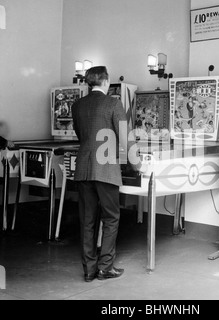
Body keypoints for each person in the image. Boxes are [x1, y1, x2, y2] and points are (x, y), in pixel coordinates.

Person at [72, 66, 141, 282]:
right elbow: (126, 138)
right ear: (106, 81)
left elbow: (80, 134)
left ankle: (89, 270)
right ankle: (105, 268)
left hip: (84, 168)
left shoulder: (77, 105)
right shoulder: (113, 103)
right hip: (107, 169)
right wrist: (137, 165)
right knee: (111, 217)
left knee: (87, 219)